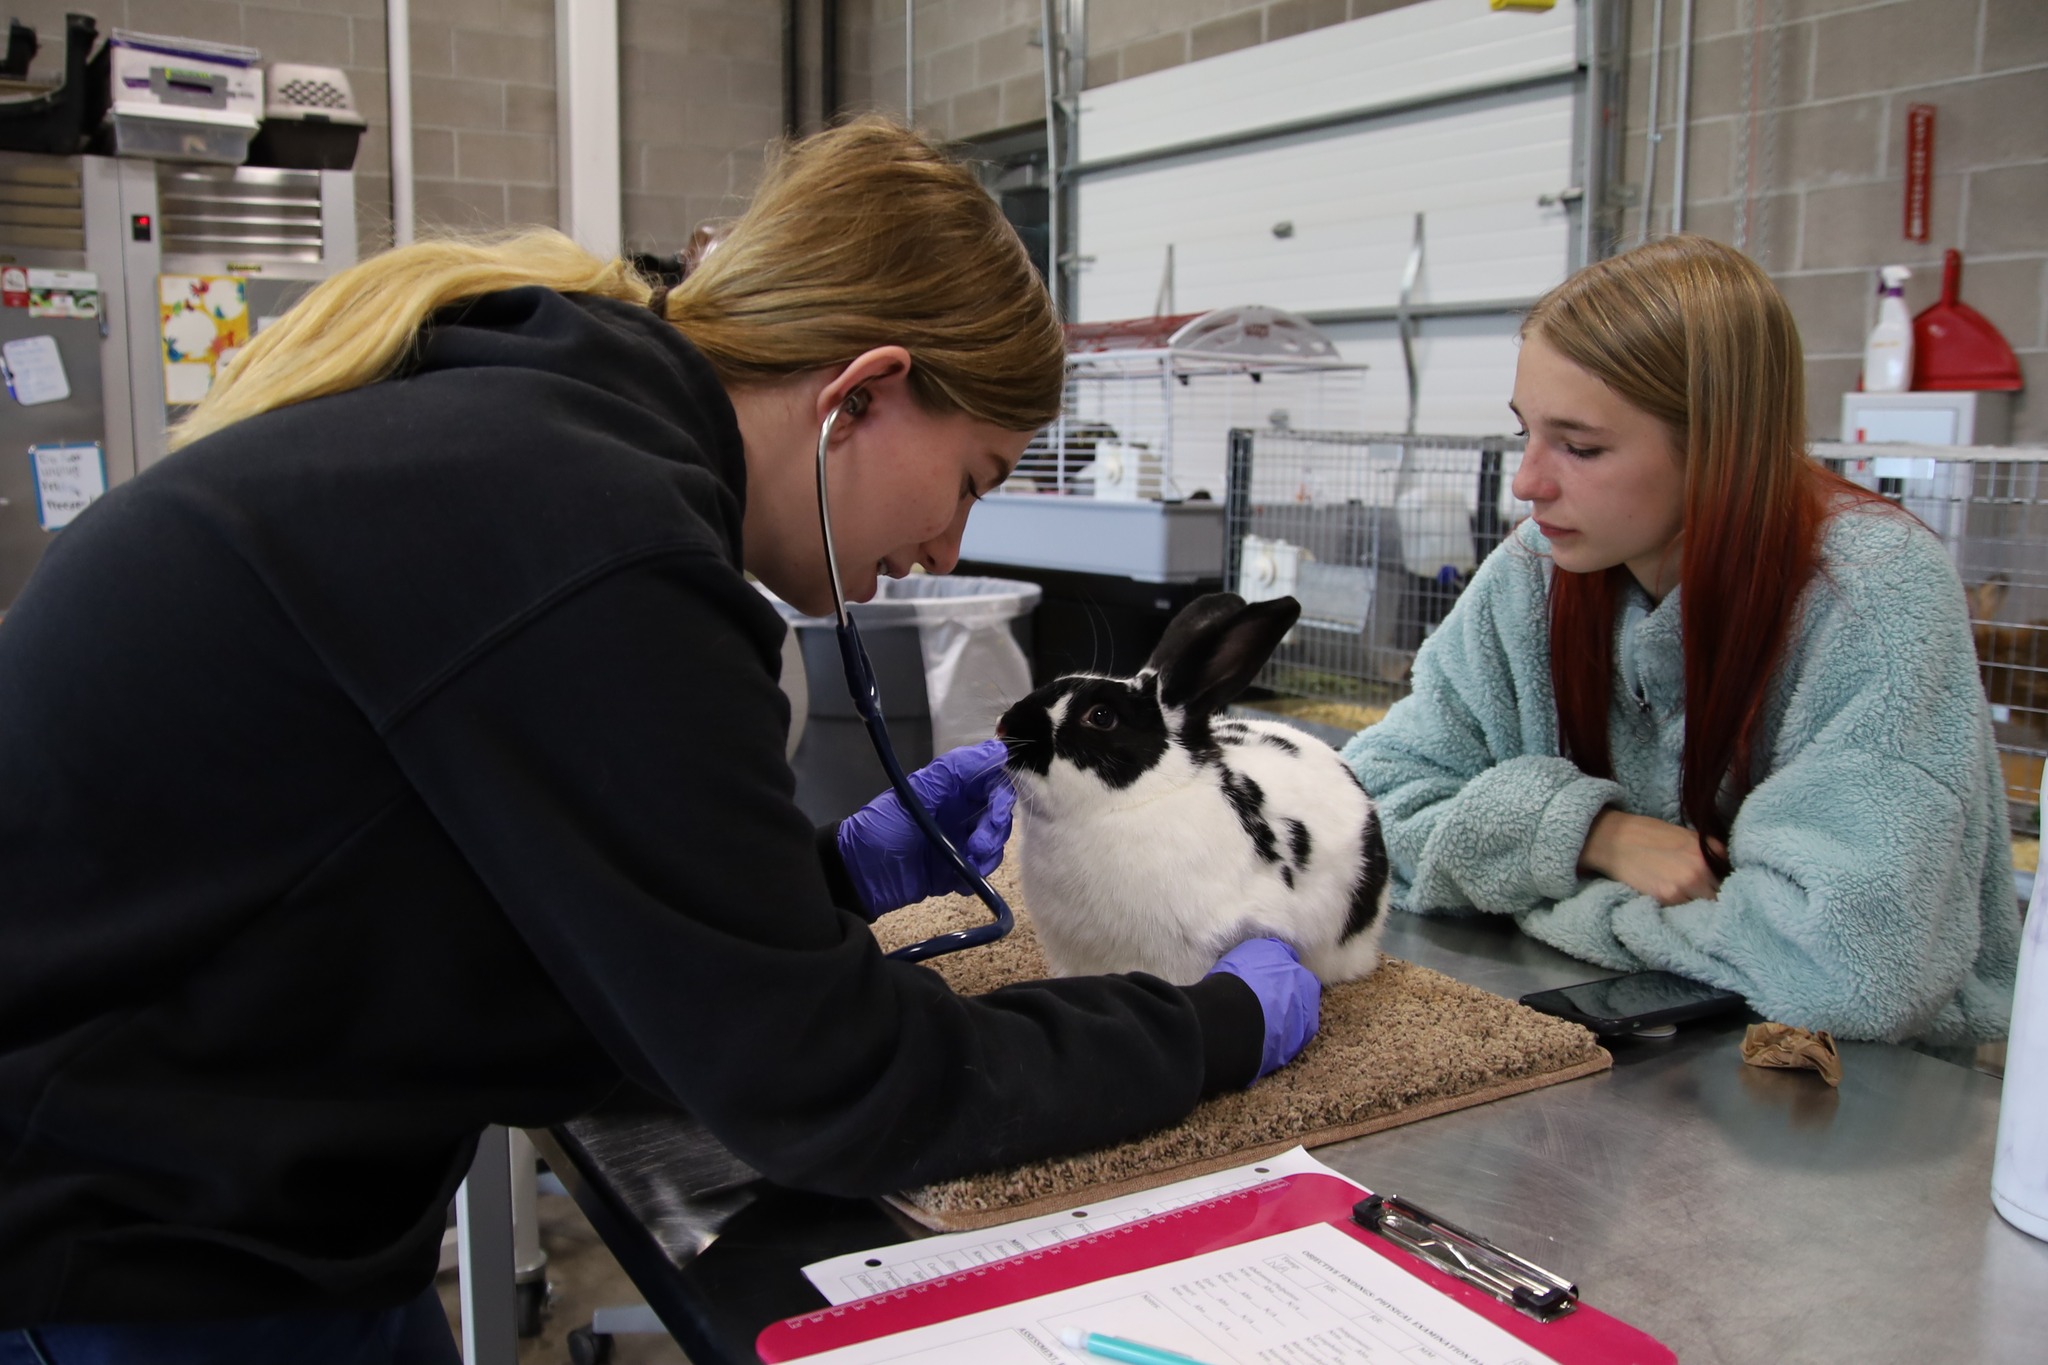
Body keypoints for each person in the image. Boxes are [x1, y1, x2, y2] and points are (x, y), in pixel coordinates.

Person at [0, 118, 1319, 1361]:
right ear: (862, 394)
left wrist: (833, 883)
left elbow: (537, 920)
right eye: (971, 478)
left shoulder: (537, 433)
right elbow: (835, 1090)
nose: (945, 549)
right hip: (117, 1255)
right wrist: (1205, 1028)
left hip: (217, 1201)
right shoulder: (598, 540)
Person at [1345, 235, 2018, 1045]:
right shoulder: (1535, 572)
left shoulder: (1871, 591)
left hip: (1852, 1099)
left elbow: (1846, 969)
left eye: (1580, 446)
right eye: (1525, 432)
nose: (1527, 482)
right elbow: (1358, 813)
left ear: (1719, 447)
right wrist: (1587, 834)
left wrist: (1518, 884)